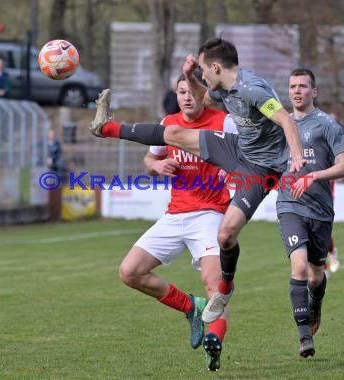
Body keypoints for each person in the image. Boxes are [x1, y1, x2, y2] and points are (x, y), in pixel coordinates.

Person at [88, 37, 306, 328]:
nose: (202, 74)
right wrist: (189, 74)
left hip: (262, 166)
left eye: (203, 69)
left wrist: (296, 155)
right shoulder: (223, 87)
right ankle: (107, 127)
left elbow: (285, 119)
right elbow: (202, 95)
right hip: (236, 150)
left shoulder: (252, 88)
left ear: (215, 66)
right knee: (174, 133)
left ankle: (235, 291)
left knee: (232, 234)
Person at [118, 73, 237, 371]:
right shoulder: (167, 122)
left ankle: (215, 340)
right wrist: (156, 165)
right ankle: (189, 307)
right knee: (130, 272)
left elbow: (248, 156)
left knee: (214, 285)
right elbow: (149, 161)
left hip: (210, 215)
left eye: (192, 92)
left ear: (202, 93)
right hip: (174, 215)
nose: (187, 97)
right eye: (181, 91)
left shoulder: (223, 122)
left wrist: (234, 170)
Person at [276, 68, 344, 358]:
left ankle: (316, 300)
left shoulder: (326, 125)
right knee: (298, 268)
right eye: (292, 86)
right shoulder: (279, 124)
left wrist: (314, 176)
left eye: (303, 86)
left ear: (314, 92)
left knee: (315, 274)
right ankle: (305, 337)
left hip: (320, 210)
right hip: (289, 206)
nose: (297, 91)